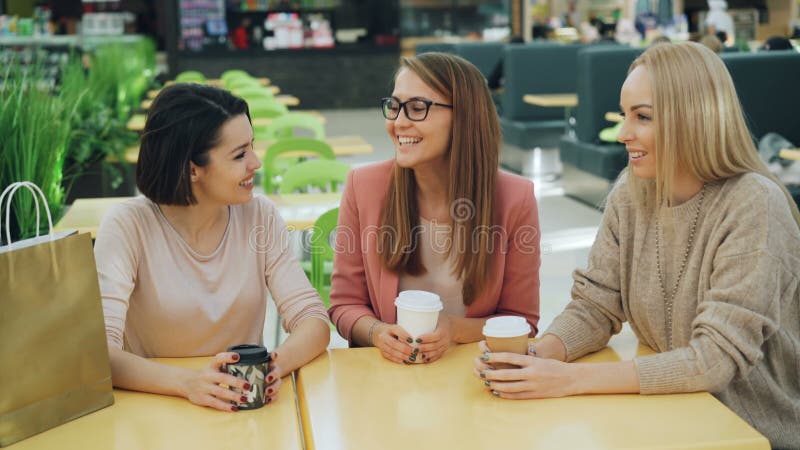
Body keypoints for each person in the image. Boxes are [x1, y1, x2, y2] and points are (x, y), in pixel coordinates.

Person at [474, 42, 800, 450]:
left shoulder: (754, 203)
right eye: (625, 115)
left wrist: (571, 381)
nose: (624, 134)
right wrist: (543, 353)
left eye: (642, 117)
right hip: (673, 419)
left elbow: (716, 359)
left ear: (694, 119)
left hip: (753, 434)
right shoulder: (633, 191)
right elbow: (596, 304)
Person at [94, 84, 330, 412]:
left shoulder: (259, 216)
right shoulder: (128, 225)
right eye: (239, 155)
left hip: (242, 409)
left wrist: (274, 367)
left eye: (252, 147)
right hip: (152, 409)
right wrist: (188, 383)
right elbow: (100, 354)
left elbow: (313, 321)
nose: (256, 163)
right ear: (192, 168)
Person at [328, 53, 541, 365]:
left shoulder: (515, 198)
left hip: (471, 379)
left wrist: (453, 329)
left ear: (465, 117)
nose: (398, 122)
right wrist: (377, 333)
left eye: (417, 108)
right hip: (387, 382)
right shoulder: (364, 186)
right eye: (395, 106)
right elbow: (344, 304)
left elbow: (522, 321)